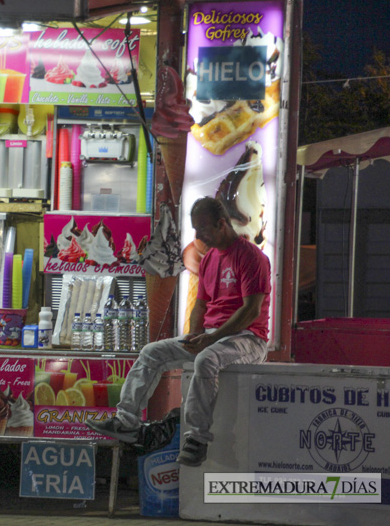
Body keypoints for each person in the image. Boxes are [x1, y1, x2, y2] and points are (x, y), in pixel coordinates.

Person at [86, 197, 271, 466]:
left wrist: (210, 339)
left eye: (203, 229)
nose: (198, 236)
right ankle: (127, 422)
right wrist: (194, 336)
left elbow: (251, 311)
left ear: (221, 224)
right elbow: (200, 305)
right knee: (151, 352)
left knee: (205, 359)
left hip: (249, 339)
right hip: (213, 336)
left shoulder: (252, 257)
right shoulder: (208, 260)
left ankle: (197, 439)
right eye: (195, 229)